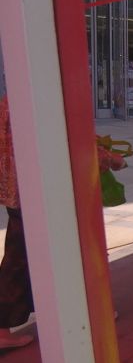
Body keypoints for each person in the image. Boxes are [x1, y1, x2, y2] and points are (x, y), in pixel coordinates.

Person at [0, 94, 34, 352]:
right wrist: (107, 157)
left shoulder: (8, 101)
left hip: (15, 190)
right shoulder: (36, 101)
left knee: (18, 256)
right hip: (33, 192)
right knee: (17, 259)